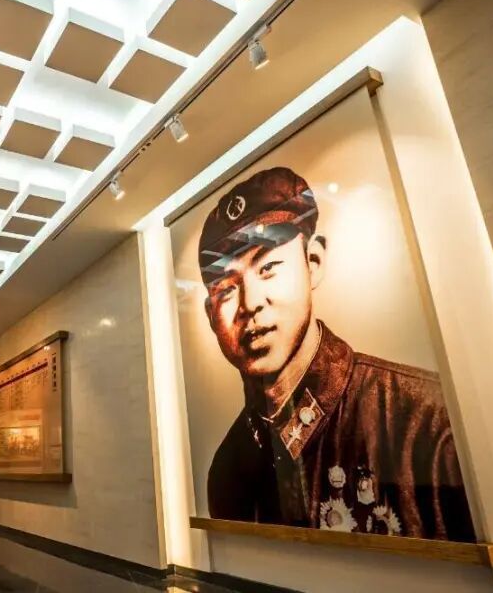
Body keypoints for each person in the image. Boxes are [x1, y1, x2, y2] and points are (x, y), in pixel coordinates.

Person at [198, 167, 475, 541]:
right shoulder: (229, 467)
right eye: (227, 289)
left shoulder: (427, 422)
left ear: (313, 263)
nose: (250, 304)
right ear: (210, 314)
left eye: (268, 268)